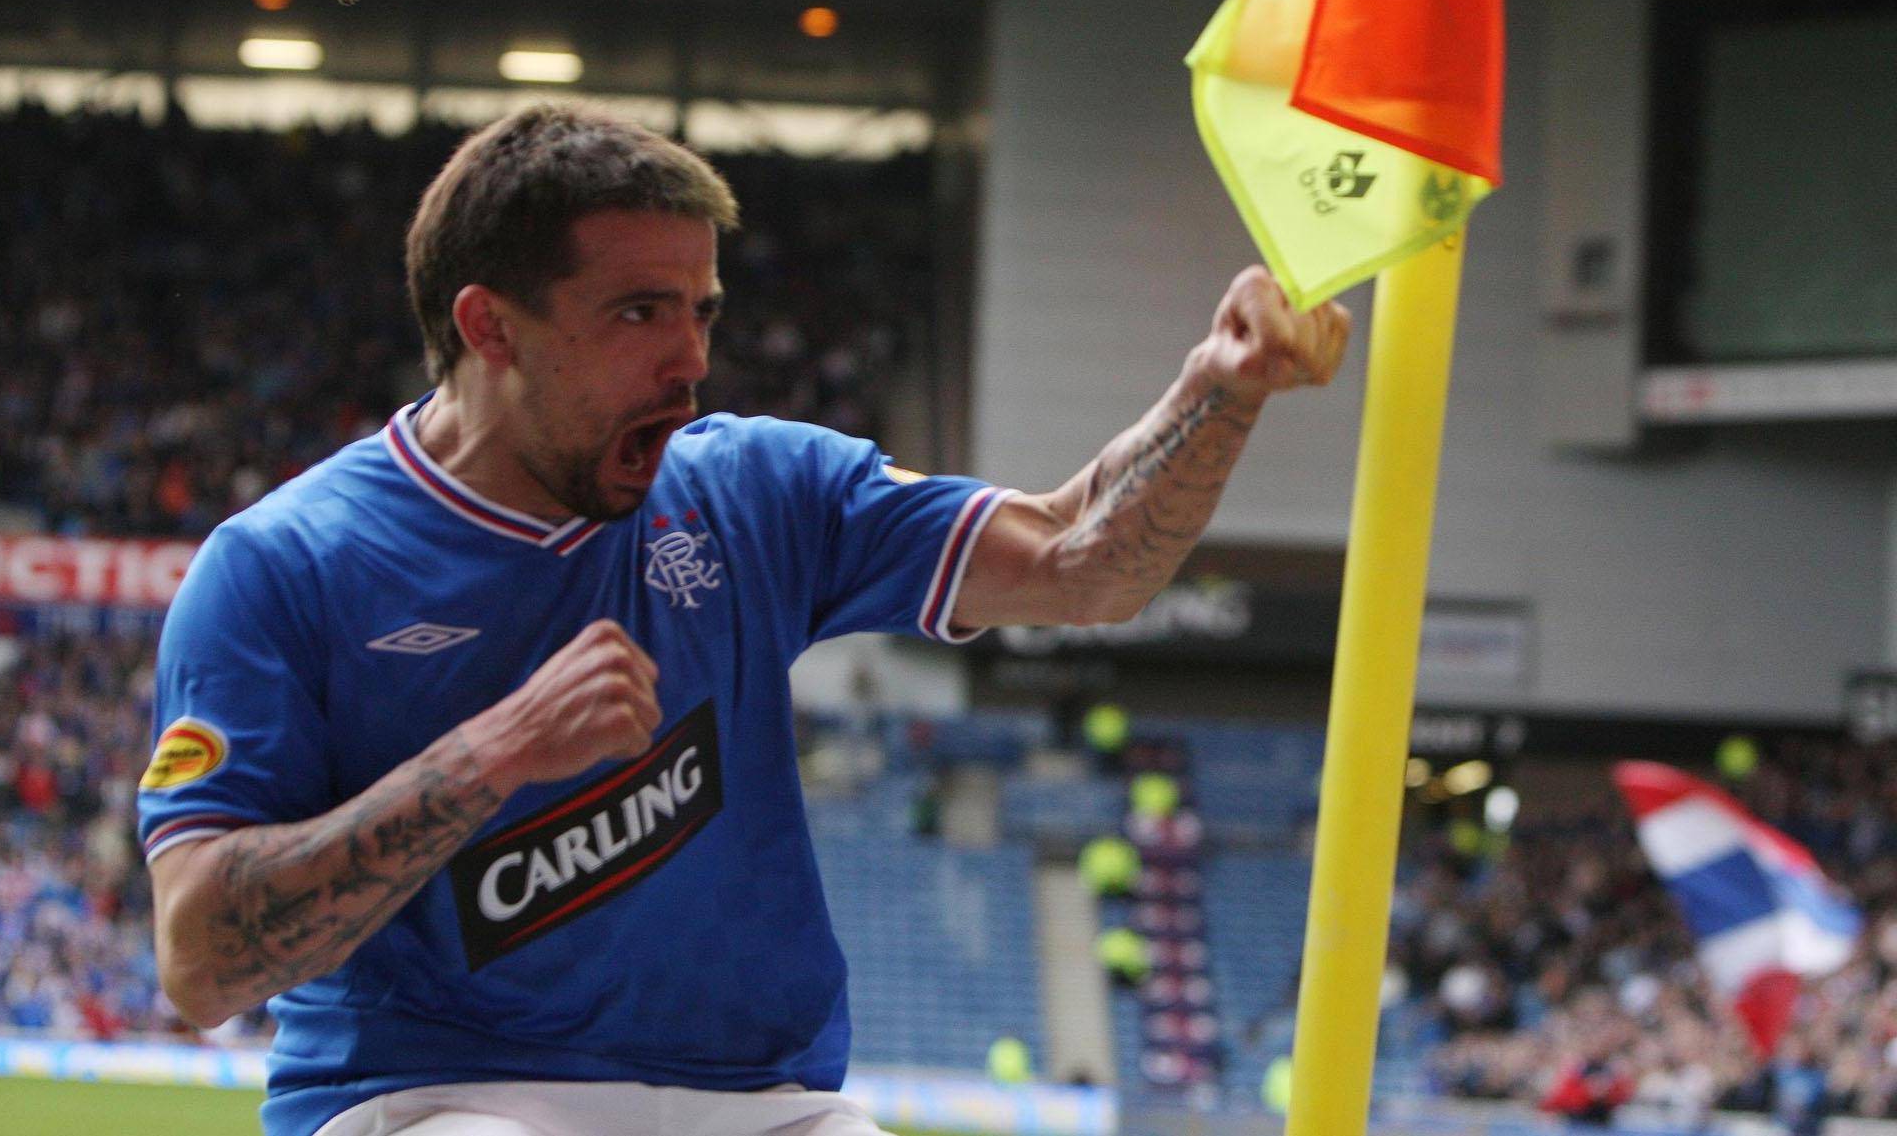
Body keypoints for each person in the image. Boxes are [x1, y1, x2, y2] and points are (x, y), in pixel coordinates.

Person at [138, 103, 1351, 1136]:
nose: (688, 362)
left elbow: (1084, 565)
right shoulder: (285, 566)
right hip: (432, 1092)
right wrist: (493, 754)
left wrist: (1219, 392)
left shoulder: (753, 489)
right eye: (636, 313)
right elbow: (202, 962)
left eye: (703, 313)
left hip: (756, 1102)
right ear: (487, 324)